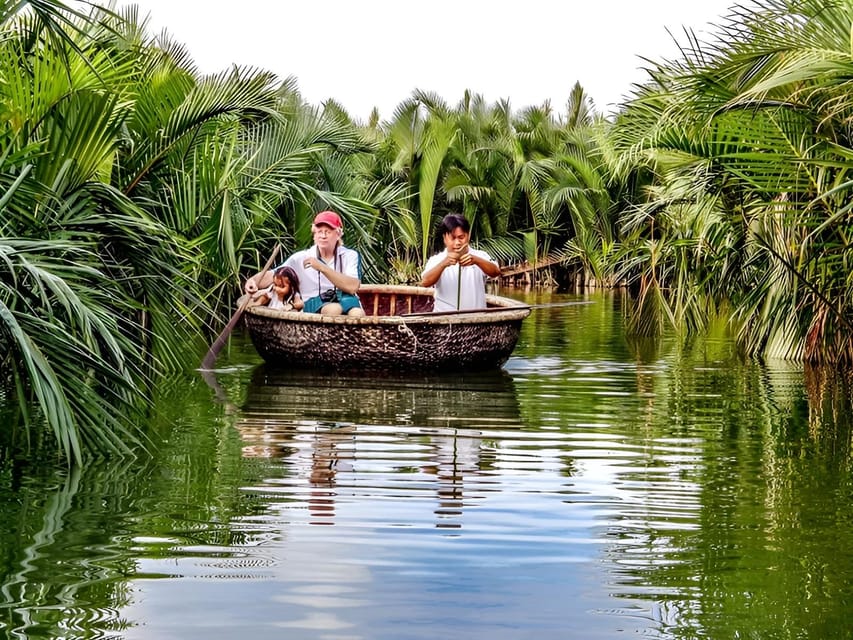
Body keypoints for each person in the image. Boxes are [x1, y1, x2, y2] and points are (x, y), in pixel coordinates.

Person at [244, 211, 365, 316]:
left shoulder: (350, 255)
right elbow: (274, 275)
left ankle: (351, 341)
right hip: (315, 301)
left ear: (338, 234)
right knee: (334, 309)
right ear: (314, 234)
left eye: (328, 232)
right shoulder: (300, 258)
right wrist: (253, 281)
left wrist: (322, 268)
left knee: (357, 313)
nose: (323, 236)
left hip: (344, 297)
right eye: (319, 231)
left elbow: (352, 287)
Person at [420, 213, 501, 311]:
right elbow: (425, 282)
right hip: (444, 320)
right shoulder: (437, 260)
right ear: (445, 238)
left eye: (461, 237)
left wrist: (476, 260)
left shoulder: (481, 256)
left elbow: (496, 272)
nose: (457, 243)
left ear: (468, 235)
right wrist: (443, 264)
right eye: (453, 238)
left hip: (476, 319)